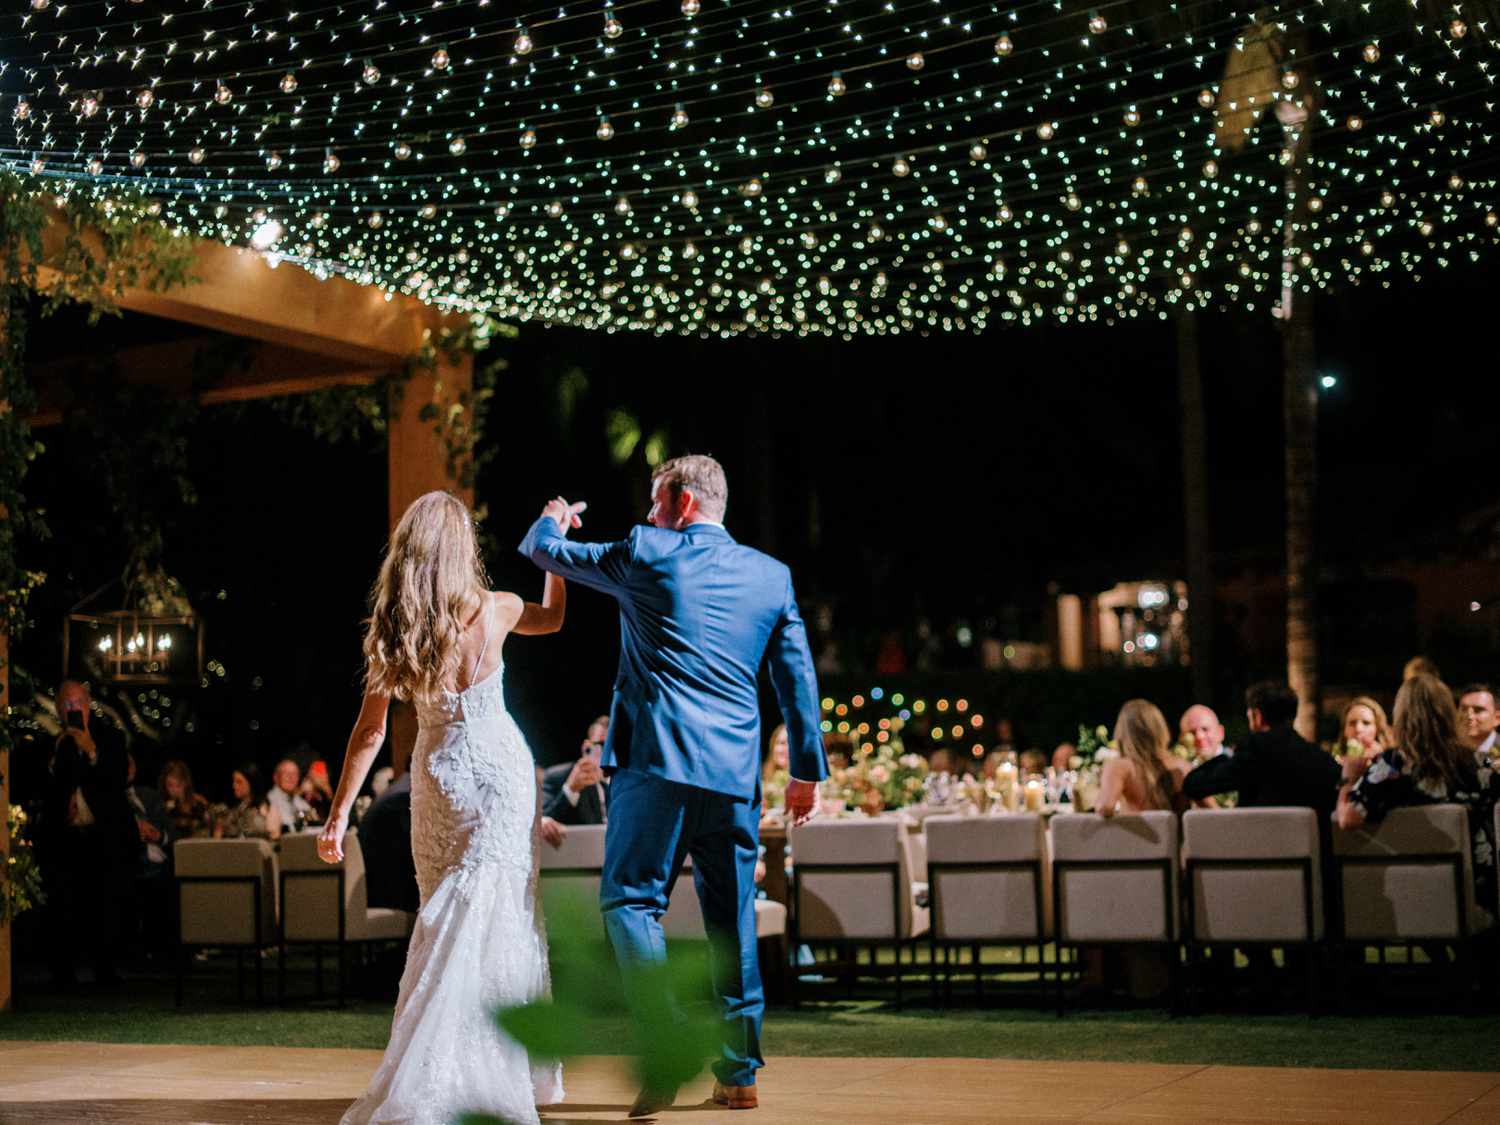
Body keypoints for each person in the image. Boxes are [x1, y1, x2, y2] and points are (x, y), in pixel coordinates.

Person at [519, 454, 826, 1115]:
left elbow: (542, 551)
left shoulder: (646, 549)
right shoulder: (770, 577)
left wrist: (554, 520)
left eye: (656, 500)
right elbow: (796, 679)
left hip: (656, 763)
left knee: (630, 902)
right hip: (735, 775)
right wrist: (806, 771)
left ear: (684, 501)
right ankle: (739, 1072)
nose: (648, 512)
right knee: (732, 919)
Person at [319, 490, 568, 1125]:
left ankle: (442, 1070)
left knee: (445, 918)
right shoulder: (499, 607)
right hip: (504, 771)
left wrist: (338, 811)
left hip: (441, 776)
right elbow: (553, 618)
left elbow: (370, 734)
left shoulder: (396, 630)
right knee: (501, 917)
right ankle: (494, 1069)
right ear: (463, 552)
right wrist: (555, 548)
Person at [1337, 674, 1500, 927]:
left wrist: (1349, 780)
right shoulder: (1478, 763)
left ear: (1400, 716)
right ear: (1448, 713)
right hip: (1473, 892)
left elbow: (1348, 818)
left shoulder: (1390, 766)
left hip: (1409, 894)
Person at [39, 680, 136, 988]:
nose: (72, 709)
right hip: (65, 837)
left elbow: (116, 781)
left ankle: (105, 970)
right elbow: (44, 790)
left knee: (104, 903)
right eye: (66, 704)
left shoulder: (112, 738)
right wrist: (57, 763)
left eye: (77, 702)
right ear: (57, 709)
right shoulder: (51, 742)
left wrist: (91, 751)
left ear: (88, 704)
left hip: (103, 835)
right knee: (63, 903)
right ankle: (62, 972)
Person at [1182, 682, 1341, 823]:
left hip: (1259, 852)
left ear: (1256, 716)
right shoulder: (1321, 759)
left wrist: (1226, 756)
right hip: (1313, 854)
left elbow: (1193, 785)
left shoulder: (1255, 750)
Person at [1094, 700, 1202, 816]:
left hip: (1137, 833)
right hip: (1175, 834)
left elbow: (1104, 807)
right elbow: (1212, 811)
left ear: (1123, 732)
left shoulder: (1120, 767)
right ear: (1160, 729)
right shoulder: (1183, 767)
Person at [125, 752, 173, 955]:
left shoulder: (149, 796)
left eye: (130, 765)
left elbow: (171, 832)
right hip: (135, 860)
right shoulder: (111, 799)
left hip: (161, 858)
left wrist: (158, 835)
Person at [540, 715, 610, 827]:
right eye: (603, 745)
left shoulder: (630, 783)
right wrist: (570, 789)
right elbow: (541, 825)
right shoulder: (558, 777)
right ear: (586, 747)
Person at [213, 764, 274, 839]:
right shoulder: (230, 809)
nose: (234, 786)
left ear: (252, 782)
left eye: (239, 782)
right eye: (234, 781)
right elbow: (217, 838)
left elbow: (272, 838)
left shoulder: (264, 808)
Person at [158, 760, 213, 840]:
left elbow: (209, 827)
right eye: (170, 785)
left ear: (186, 783)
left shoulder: (197, 802)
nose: (174, 790)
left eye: (178, 785)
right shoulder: (162, 805)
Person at [267, 758, 316, 832]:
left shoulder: (300, 801)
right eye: (286, 773)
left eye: (295, 774)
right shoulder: (268, 800)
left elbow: (313, 825)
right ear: (276, 777)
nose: (291, 777)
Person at [1338, 696, 1392, 762]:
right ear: (1344, 730)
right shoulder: (1333, 763)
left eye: (1366, 723)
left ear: (1378, 728)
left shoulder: (1390, 762)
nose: (1358, 729)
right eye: (1352, 723)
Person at [1457, 684, 1498, 756]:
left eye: (1478, 710)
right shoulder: (1447, 752)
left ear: (1497, 718)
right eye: (1463, 710)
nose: (1469, 716)